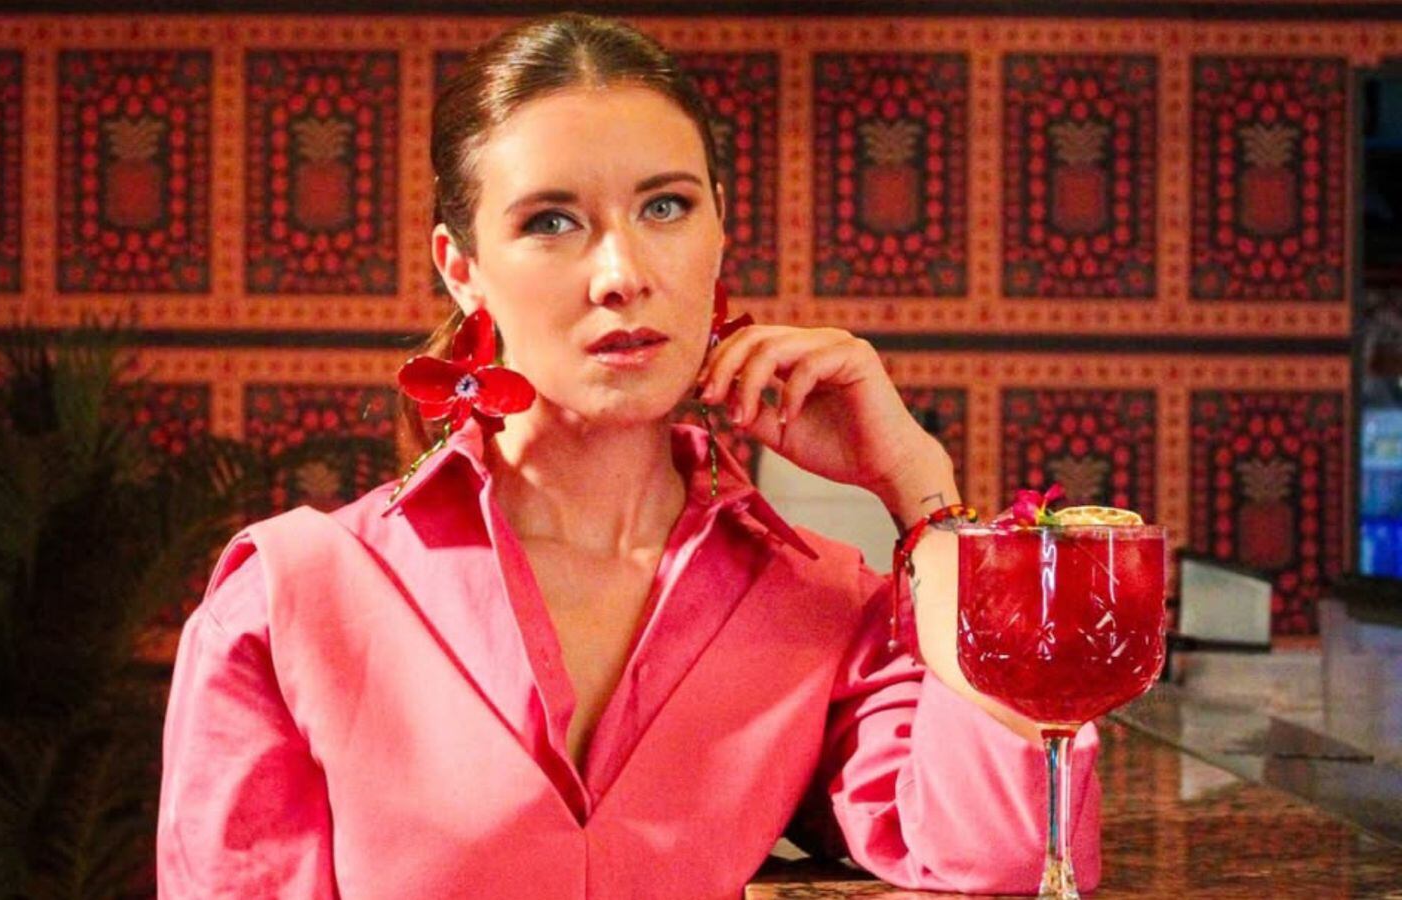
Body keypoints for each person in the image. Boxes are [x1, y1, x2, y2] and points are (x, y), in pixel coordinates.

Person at [156, 13, 1101, 899]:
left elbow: (1014, 849)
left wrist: (921, 491)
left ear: (720, 227)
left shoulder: (820, 604)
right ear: (462, 266)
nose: (623, 275)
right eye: (550, 221)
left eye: (666, 206)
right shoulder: (290, 598)